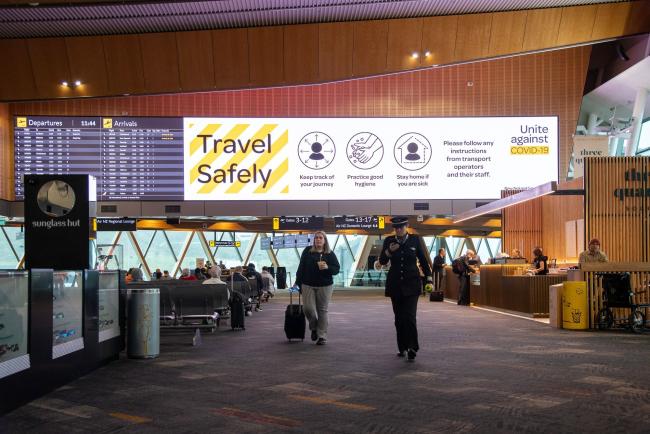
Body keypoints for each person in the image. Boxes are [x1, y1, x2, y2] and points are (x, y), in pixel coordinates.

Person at [378, 216, 433, 361]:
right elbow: (382, 261)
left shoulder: (415, 239)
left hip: (412, 284)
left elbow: (423, 260)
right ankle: (401, 346)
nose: (398, 230)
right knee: (399, 318)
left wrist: (429, 278)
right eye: (396, 228)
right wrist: (389, 252)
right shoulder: (389, 241)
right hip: (395, 284)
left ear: (407, 226)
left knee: (409, 317)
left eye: (401, 227)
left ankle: (412, 347)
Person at [295, 230, 340, 345]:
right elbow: (301, 268)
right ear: (314, 240)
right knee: (308, 309)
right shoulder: (307, 251)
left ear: (325, 241)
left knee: (322, 311)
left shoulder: (330, 254)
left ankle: (322, 336)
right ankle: (314, 327)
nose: (318, 239)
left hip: (325, 286)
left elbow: (336, 270)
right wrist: (297, 283)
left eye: (320, 238)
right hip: (307, 284)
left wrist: (327, 267)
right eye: (316, 238)